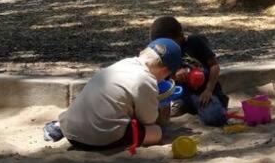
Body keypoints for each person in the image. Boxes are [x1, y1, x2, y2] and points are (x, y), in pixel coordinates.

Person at [43, 38, 182, 153]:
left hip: (71, 132)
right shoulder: (146, 80)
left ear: (142, 52)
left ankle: (57, 126)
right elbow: (148, 119)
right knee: (156, 132)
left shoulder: (124, 63)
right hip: (96, 141)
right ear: (164, 71)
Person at [150, 16, 229, 126]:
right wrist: (174, 75)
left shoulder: (195, 42)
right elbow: (163, 77)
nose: (166, 47)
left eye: (170, 43)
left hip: (204, 92)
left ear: (180, 36)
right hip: (184, 93)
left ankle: (216, 102)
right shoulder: (163, 51)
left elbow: (214, 66)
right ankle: (188, 106)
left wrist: (209, 90)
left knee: (215, 118)